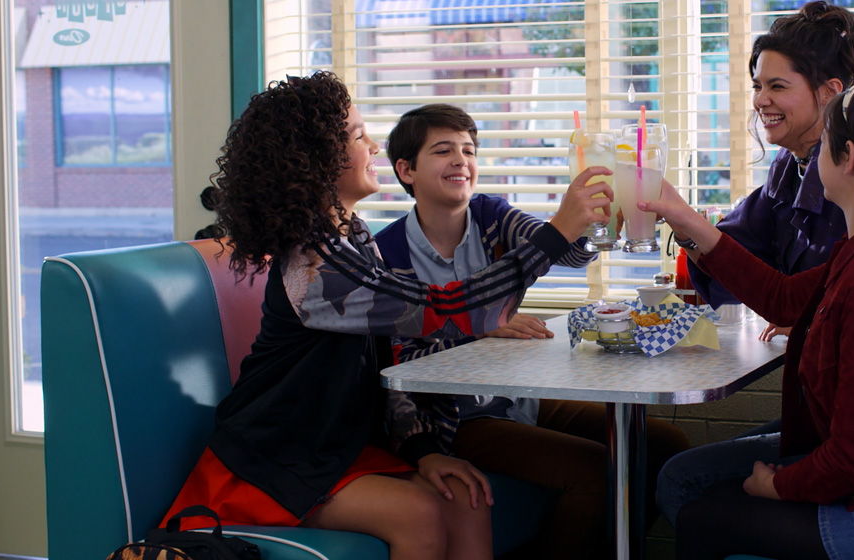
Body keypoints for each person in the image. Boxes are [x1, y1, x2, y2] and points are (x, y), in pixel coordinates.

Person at [160, 72, 611, 560]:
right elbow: (449, 308)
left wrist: (423, 451)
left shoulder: (352, 241)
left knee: (466, 496)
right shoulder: (317, 268)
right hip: (278, 456)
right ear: (316, 161)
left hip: (337, 446)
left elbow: (388, 364)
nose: (373, 146)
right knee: (418, 512)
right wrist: (559, 229)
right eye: (358, 136)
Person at [642, 75, 854, 560]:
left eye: (824, 141)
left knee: (703, 516)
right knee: (688, 481)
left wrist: (778, 487)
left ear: (847, 158)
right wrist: (685, 219)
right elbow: (785, 299)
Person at [374, 104, 691, 560]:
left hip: (516, 397)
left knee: (666, 445)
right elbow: (395, 367)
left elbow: (556, 249)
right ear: (406, 170)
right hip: (453, 419)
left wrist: (588, 224)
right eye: (443, 151)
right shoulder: (386, 255)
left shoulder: (489, 216)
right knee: (596, 471)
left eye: (468, 149)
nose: (461, 160)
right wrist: (480, 328)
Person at [688, 1, 854, 345]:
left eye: (778, 86)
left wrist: (815, 326)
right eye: (757, 86)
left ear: (830, 93)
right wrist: (677, 221)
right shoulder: (787, 169)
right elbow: (746, 275)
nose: (760, 100)